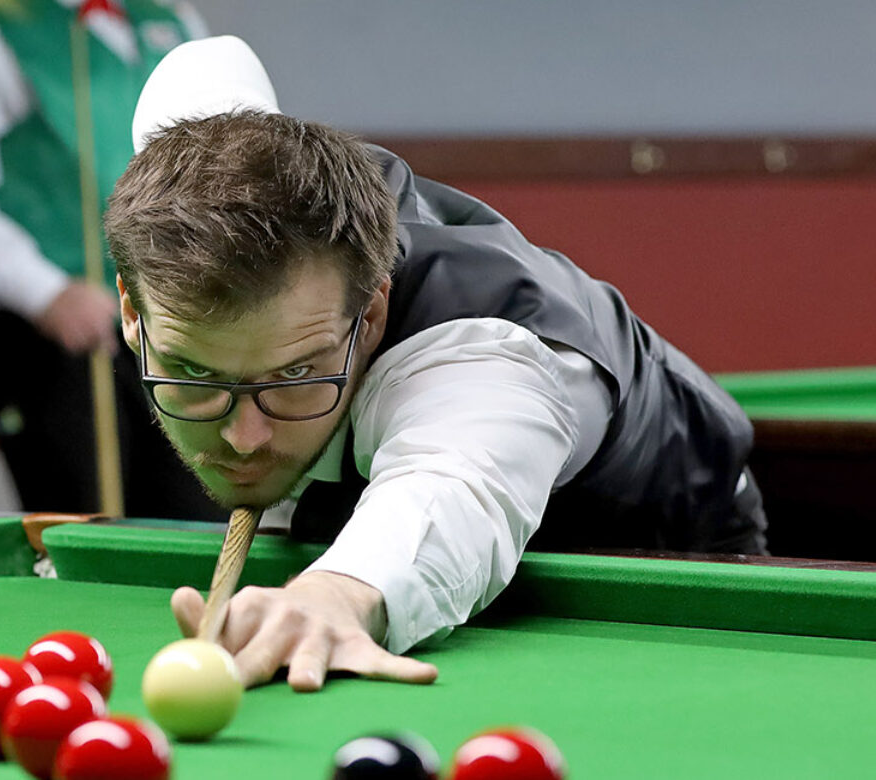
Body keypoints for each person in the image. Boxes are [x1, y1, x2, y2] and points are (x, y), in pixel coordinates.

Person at [105, 37, 768, 692]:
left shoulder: (481, 354)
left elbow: (456, 480)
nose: (244, 437)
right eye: (195, 373)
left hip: (666, 569)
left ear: (369, 315)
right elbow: (214, 68)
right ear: (133, 314)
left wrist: (338, 593)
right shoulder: (212, 196)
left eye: (295, 374)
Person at [0, 0, 222, 522]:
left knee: (198, 522)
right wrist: (47, 293)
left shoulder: (174, 20)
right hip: (58, 337)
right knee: (86, 527)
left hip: (178, 327)